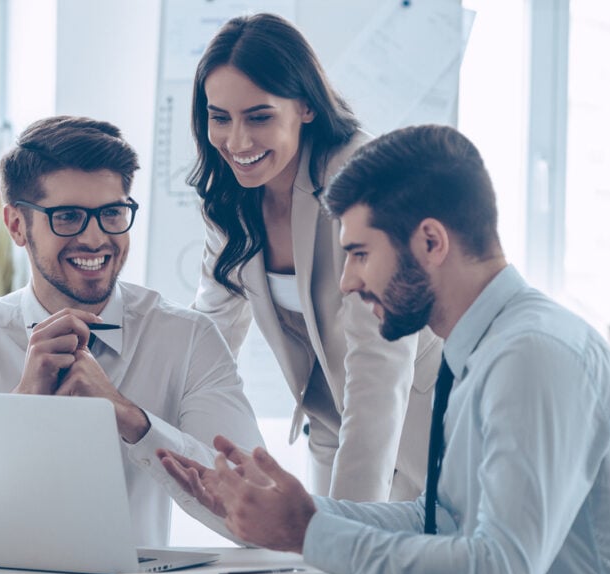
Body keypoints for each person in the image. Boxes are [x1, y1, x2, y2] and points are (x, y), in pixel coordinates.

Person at [160, 124, 610, 574]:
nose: (347, 282)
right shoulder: (485, 346)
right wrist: (293, 512)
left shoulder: (532, 356)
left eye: (361, 254)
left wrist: (308, 533)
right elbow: (440, 521)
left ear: (431, 243)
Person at [0, 115, 264, 547]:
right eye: (67, 217)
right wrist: (15, 412)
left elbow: (261, 512)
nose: (95, 237)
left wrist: (130, 418)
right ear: (15, 226)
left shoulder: (187, 340)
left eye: (112, 213)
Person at [188, 13, 441, 502]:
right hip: (332, 428)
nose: (236, 142)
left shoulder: (365, 181)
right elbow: (208, 343)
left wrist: (348, 533)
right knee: (320, 571)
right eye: (220, 117)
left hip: (427, 427)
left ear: (304, 106)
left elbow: (379, 365)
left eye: (258, 116)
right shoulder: (229, 202)